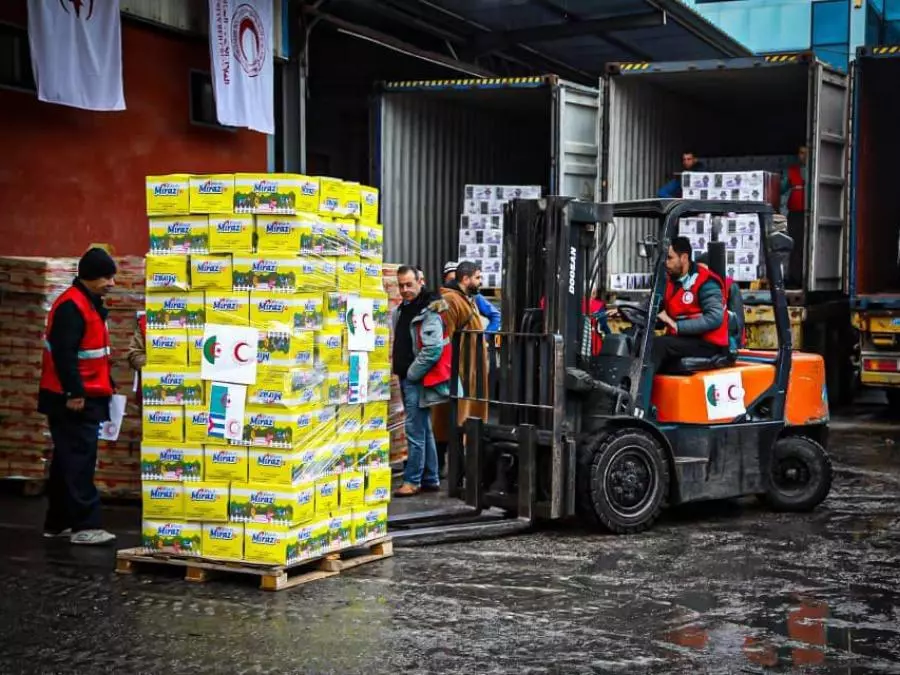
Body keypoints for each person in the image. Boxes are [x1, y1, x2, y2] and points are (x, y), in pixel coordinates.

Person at [38, 247, 118, 545]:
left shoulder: (88, 302)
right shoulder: (72, 307)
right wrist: (74, 392)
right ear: (88, 276)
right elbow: (64, 355)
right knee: (80, 459)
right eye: (106, 277)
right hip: (73, 398)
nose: (111, 283)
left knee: (66, 460)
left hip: (86, 393)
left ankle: (58, 522)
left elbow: (92, 353)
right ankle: (87, 525)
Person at [391, 265, 445, 497]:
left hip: (415, 379)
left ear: (420, 282)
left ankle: (412, 480)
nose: (404, 290)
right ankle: (431, 477)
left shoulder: (428, 310)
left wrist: (412, 374)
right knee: (424, 428)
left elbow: (433, 349)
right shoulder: (402, 309)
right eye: (401, 285)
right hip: (406, 377)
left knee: (414, 430)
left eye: (409, 285)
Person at [432, 261, 489, 473]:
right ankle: (441, 469)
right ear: (465, 279)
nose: (480, 281)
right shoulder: (450, 300)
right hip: (457, 372)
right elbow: (443, 339)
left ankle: (458, 468)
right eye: (477, 277)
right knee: (448, 420)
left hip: (468, 370)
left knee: (462, 420)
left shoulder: (466, 299)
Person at [651, 237, 729, 376]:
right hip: (684, 340)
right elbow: (657, 305)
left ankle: (639, 394)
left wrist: (677, 326)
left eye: (670, 258)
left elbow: (715, 317)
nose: (666, 263)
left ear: (684, 258)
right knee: (637, 340)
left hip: (707, 343)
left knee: (657, 346)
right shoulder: (670, 281)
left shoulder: (706, 282)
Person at [696, 252, 746, 354]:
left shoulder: (730, 286)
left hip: (726, 341)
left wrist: (737, 344)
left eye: (703, 269)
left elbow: (738, 320)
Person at [442, 260, 501, 333]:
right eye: (452, 279)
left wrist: (484, 338)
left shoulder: (474, 297)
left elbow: (496, 315)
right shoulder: (450, 299)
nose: (457, 281)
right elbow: (447, 335)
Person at [780, 145, 807, 287]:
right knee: (795, 247)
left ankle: (806, 279)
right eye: (801, 153)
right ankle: (794, 279)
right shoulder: (791, 171)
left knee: (807, 247)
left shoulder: (816, 171)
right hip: (796, 215)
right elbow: (781, 189)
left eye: (806, 153)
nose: (803, 156)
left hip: (810, 214)